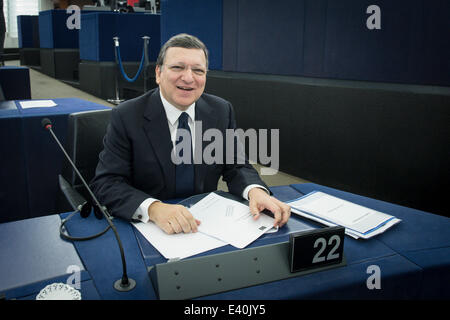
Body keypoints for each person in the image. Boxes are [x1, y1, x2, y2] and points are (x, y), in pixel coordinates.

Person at [91, 33, 290, 234]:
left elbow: (236, 166)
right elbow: (107, 183)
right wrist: (153, 209)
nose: (188, 78)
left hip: (206, 224)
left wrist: (255, 191)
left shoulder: (221, 111)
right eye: (177, 67)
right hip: (151, 227)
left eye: (198, 70)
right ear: (159, 73)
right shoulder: (127, 116)